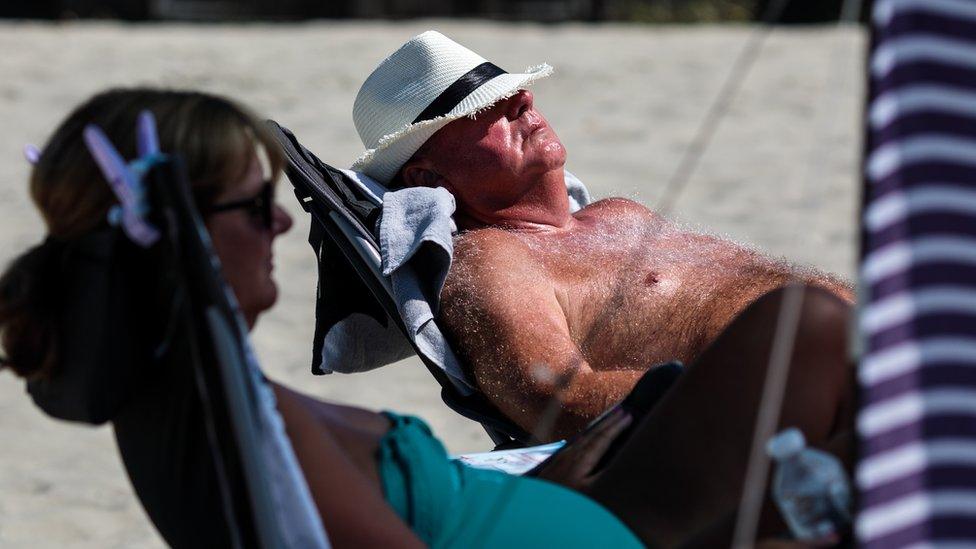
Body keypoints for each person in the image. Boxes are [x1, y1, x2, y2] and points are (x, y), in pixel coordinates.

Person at [0, 87, 795, 548]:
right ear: (177, 237)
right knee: (806, 337)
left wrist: (557, 471)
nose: (280, 226)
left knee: (807, 342)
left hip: (572, 496)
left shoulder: (206, 402)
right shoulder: (246, 421)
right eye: (253, 206)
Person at [351, 30, 855, 441]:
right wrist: (767, 394)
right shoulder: (492, 260)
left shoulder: (619, 212)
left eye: (512, 90)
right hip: (817, 409)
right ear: (427, 179)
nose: (522, 100)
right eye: (485, 108)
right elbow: (557, 401)